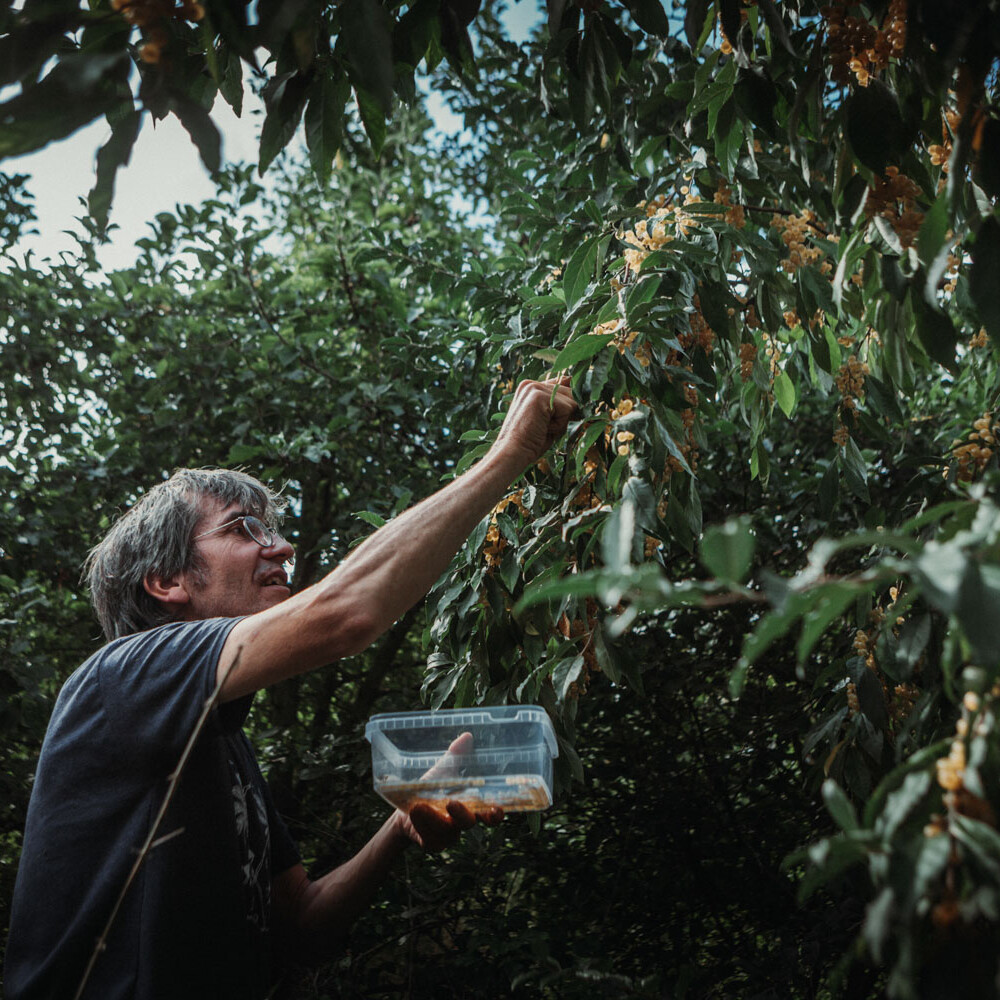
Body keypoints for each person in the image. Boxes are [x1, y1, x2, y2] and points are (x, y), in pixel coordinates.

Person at [4, 377, 577, 1000]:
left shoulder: (221, 743)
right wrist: (507, 456)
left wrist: (403, 821)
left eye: (271, 529)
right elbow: (347, 612)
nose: (281, 547)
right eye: (243, 528)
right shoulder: (124, 675)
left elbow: (301, 925)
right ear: (167, 579)